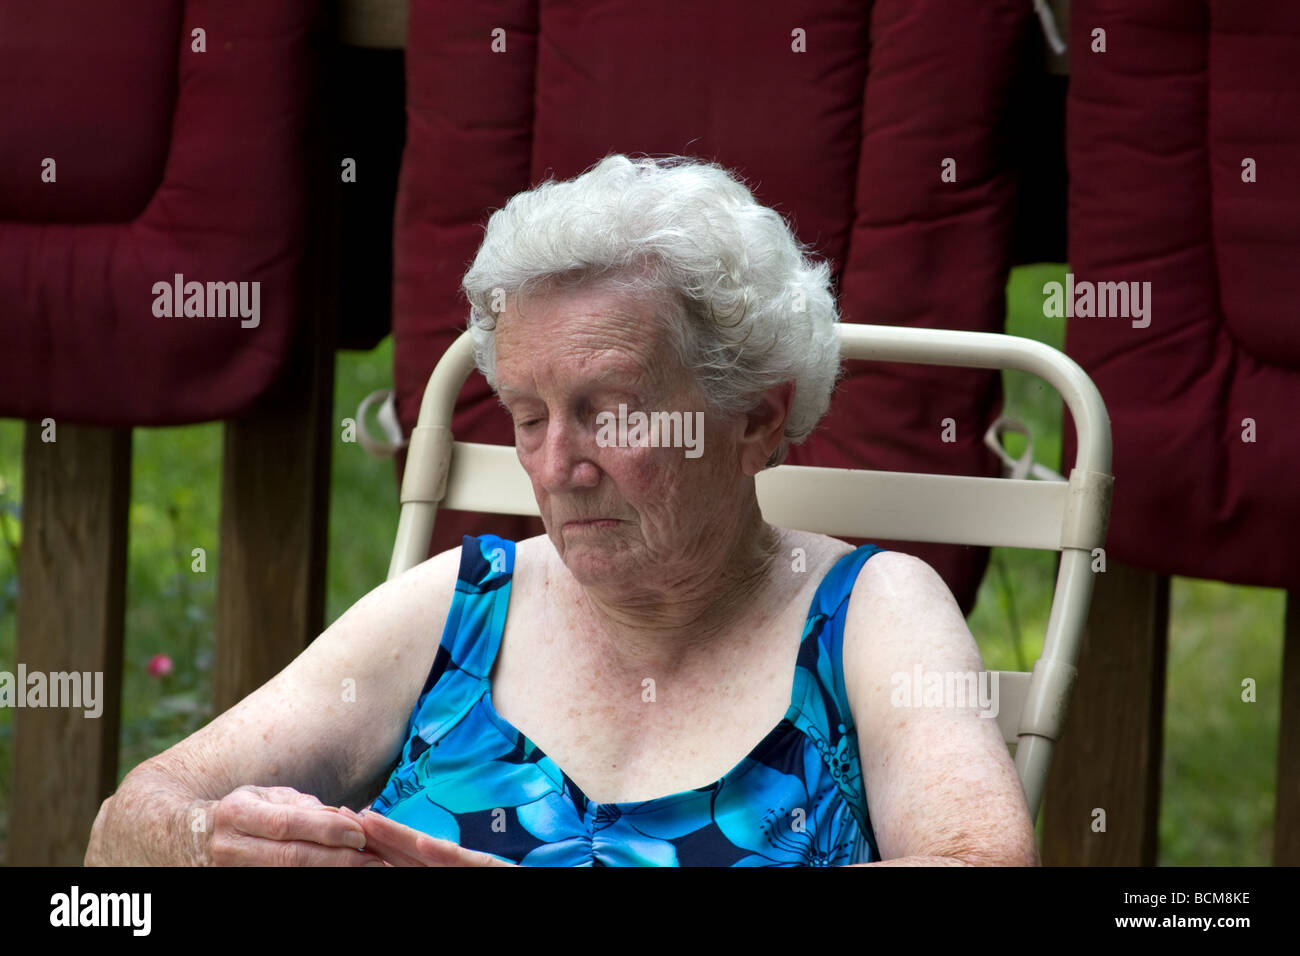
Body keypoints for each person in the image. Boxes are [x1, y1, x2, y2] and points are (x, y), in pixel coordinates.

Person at [85, 154, 1038, 867]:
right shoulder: (462, 608)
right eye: (528, 417)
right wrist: (214, 841)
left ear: (755, 417)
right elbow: (127, 826)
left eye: (608, 412)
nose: (556, 467)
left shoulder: (871, 614)